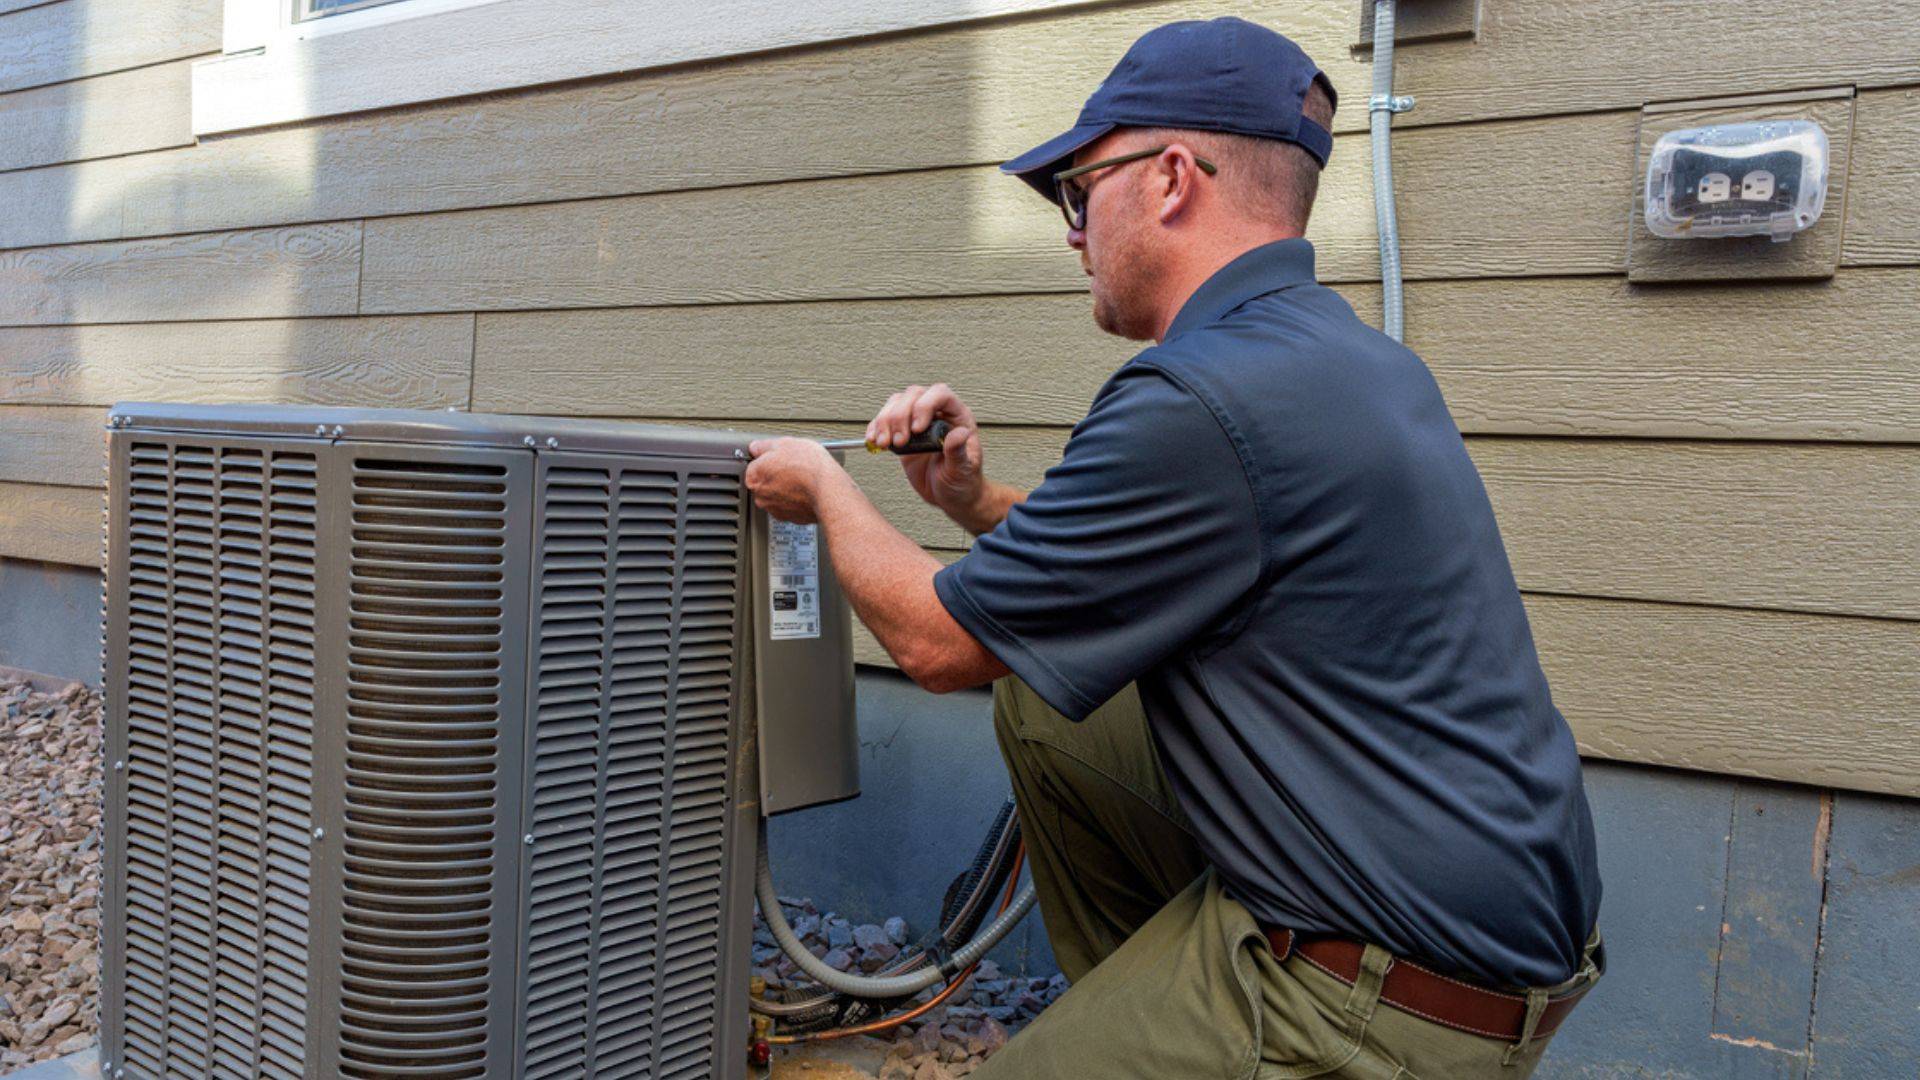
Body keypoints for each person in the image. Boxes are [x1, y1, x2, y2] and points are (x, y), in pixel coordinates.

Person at [744, 16, 1603, 1077]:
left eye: (1078, 188)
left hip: (1392, 998)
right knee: (1054, 710)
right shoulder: (1344, 357)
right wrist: (968, 499)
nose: (1071, 230)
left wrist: (822, 490)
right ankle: (1141, 1015)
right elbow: (1096, 578)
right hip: (1489, 932)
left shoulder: (1199, 395)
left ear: (1170, 179)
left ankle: (1224, 1037)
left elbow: (936, 645)